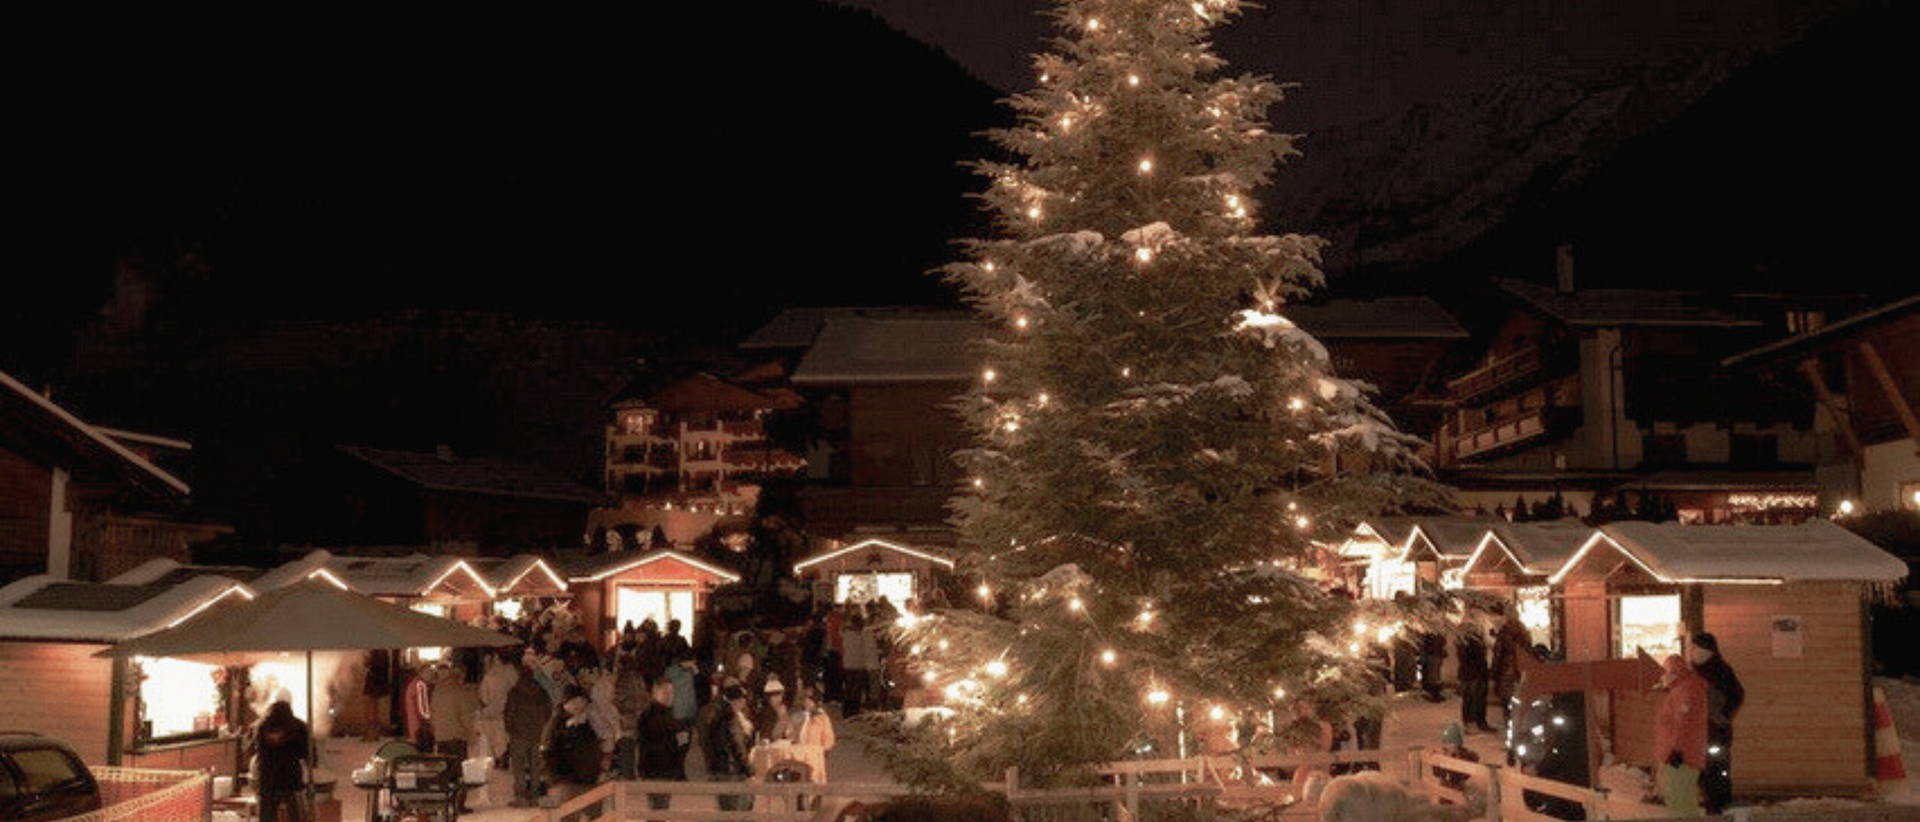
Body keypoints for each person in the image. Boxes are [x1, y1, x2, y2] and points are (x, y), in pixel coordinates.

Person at [1690, 632, 1743, 814]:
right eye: (1693, 647)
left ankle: (1718, 806)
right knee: (1702, 771)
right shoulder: (1694, 672)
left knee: (1717, 768)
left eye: (1699, 648)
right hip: (1698, 732)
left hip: (1716, 732)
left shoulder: (1722, 671)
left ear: (1709, 651)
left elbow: (1737, 695)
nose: (1694, 652)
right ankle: (1710, 803)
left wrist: (1722, 715)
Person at [1653, 654, 1708, 818]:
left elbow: (1684, 723)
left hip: (1681, 758)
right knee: (1679, 801)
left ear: (1673, 672)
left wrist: (1676, 750)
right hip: (1679, 756)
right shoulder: (1681, 690)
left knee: (1681, 802)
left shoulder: (1685, 691)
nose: (1663, 677)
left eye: (1666, 672)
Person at [428, 662, 479, 812]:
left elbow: (432, 713)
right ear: (460, 677)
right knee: (459, 772)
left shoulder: (438, 690)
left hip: (441, 736)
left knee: (445, 771)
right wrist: (471, 735)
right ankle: (458, 804)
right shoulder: (459, 691)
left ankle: (446, 801)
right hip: (456, 736)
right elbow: (466, 716)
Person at [636, 678, 688, 818]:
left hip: (663, 770)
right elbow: (653, 744)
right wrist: (677, 740)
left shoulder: (666, 713)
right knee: (659, 810)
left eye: (671, 692)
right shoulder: (650, 715)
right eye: (665, 692)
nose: (670, 696)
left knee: (660, 810)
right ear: (655, 693)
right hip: (656, 770)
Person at [252, 699, 312, 822]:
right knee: (295, 813)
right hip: (290, 775)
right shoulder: (298, 726)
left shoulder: (261, 726)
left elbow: (254, 749)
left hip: (267, 776)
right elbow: (306, 753)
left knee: (267, 814)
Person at [504, 661, 553, 808]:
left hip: (519, 733)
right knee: (535, 765)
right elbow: (548, 711)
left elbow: (509, 714)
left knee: (519, 765)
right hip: (536, 733)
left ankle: (521, 796)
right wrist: (540, 724)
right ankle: (535, 795)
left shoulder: (515, 692)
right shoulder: (541, 691)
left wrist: (509, 728)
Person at [704, 685, 754, 811]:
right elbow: (738, 747)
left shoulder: (715, 717)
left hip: (719, 769)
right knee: (739, 809)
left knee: (725, 810)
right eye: (742, 700)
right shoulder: (732, 719)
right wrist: (748, 770)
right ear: (736, 701)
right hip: (733, 770)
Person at [1490, 603, 1531, 725]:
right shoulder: (1523, 629)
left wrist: (1493, 670)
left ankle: (1508, 720)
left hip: (1506, 666)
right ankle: (1518, 720)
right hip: (1520, 665)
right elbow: (1528, 648)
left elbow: (1498, 651)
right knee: (1518, 693)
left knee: (1506, 696)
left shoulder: (1505, 629)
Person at [1456, 614, 1493, 732]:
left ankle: (1478, 721)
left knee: (1477, 698)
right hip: (1473, 673)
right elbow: (1472, 658)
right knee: (1472, 698)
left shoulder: (1471, 639)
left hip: (1475, 672)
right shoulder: (1469, 640)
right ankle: (1472, 722)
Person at [1428, 722, 1480, 794]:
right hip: (1444, 785)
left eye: (1450, 744)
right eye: (1445, 744)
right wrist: (1437, 761)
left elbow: (1473, 759)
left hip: (1457, 785)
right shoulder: (1442, 755)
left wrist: (1458, 759)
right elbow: (1436, 773)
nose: (1447, 747)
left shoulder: (1463, 755)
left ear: (1458, 745)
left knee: (1459, 795)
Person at [402, 664, 434, 749]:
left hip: (412, 721)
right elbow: (422, 709)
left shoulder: (414, 683)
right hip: (417, 723)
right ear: (421, 673)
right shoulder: (421, 685)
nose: (430, 675)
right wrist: (430, 720)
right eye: (428, 673)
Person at [756, 677, 792, 745]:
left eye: (780, 696)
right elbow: (772, 735)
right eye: (775, 696)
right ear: (769, 698)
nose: (779, 699)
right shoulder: (766, 714)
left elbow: (790, 732)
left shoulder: (783, 710)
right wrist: (782, 718)